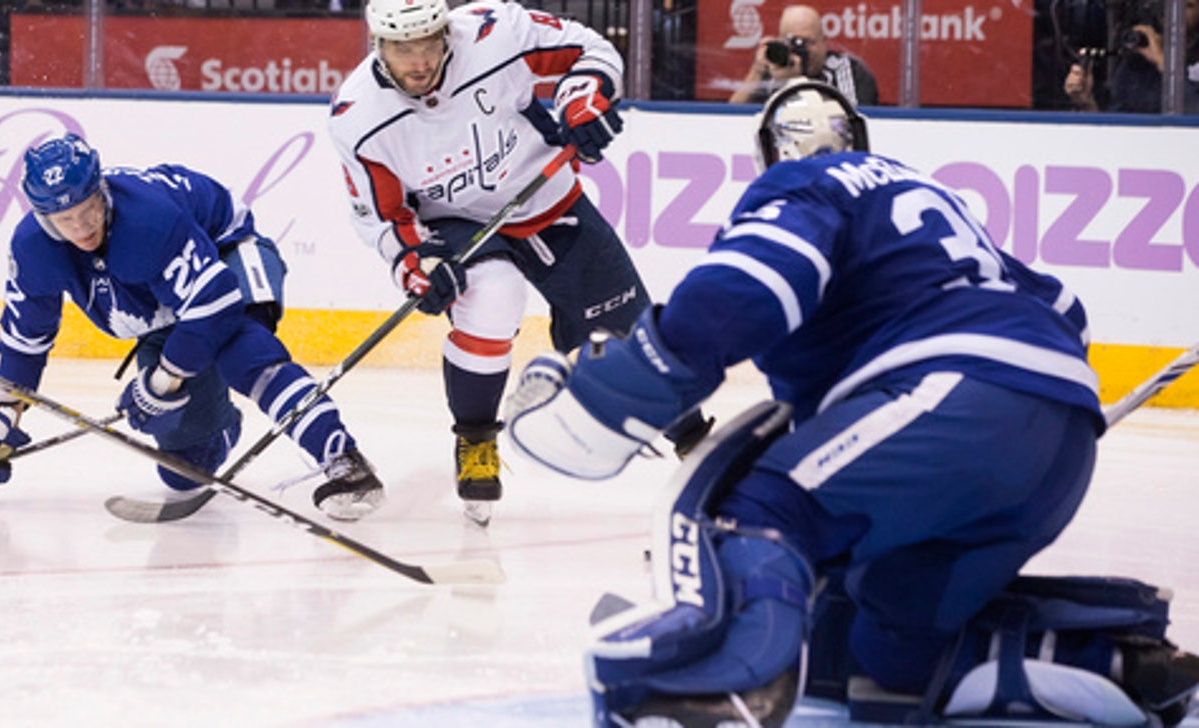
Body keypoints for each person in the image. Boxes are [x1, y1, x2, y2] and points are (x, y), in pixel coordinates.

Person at [504, 80, 1199, 727]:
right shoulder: (934, 202)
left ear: (770, 154)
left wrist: (622, 387)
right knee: (880, 644)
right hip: (1055, 433)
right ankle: (1109, 659)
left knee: (763, 514)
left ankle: (720, 682)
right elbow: (1064, 311)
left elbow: (742, 293)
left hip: (952, 397)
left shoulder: (804, 184)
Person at [326, 0, 710, 526]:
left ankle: (696, 443)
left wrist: (582, 100)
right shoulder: (359, 117)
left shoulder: (495, 33)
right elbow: (384, 216)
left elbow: (590, 51)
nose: (418, 62)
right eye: (402, 48)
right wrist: (415, 264)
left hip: (546, 195)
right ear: (378, 45)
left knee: (624, 328)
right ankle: (477, 440)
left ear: (445, 33)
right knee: (494, 296)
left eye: (428, 44)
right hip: (455, 222)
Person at [0, 133, 385, 523]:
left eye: (88, 209)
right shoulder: (33, 247)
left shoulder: (147, 220)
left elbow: (214, 302)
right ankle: (221, 420)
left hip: (227, 254)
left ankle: (343, 459)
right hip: (170, 304)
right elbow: (26, 338)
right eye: (64, 220)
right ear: (41, 217)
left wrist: (163, 381)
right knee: (186, 471)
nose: (82, 227)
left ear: (101, 191)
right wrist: (1, 416)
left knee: (242, 353)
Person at [728, 4, 878, 107]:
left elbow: (853, 122)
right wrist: (757, 71)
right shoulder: (773, 69)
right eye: (793, 42)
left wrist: (797, 82)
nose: (802, 50)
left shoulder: (849, 70)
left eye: (809, 42)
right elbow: (732, 118)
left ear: (824, 42)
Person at [1064, 0, 1199, 113]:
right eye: (1165, 5)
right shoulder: (1136, 64)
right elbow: (1116, 129)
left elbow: (1192, 115)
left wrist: (1163, 61)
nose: (1175, 16)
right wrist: (1087, 102)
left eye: (1187, 6)